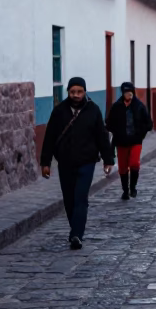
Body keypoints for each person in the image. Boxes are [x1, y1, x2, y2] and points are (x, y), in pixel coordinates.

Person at [40, 76, 114, 249]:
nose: (76, 95)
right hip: (65, 162)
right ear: (68, 92)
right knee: (69, 199)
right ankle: (75, 228)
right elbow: (49, 137)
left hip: (86, 161)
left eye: (79, 91)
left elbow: (102, 137)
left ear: (85, 92)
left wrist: (108, 160)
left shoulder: (93, 110)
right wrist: (45, 162)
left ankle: (76, 234)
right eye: (73, 92)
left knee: (81, 197)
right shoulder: (59, 111)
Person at [106, 82, 153, 200]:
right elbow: (109, 122)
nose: (129, 95)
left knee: (134, 163)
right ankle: (125, 190)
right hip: (121, 141)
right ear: (123, 93)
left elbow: (148, 123)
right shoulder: (116, 107)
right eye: (127, 93)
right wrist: (116, 130)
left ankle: (133, 187)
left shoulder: (139, 106)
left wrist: (141, 133)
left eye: (131, 93)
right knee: (122, 167)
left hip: (135, 140)